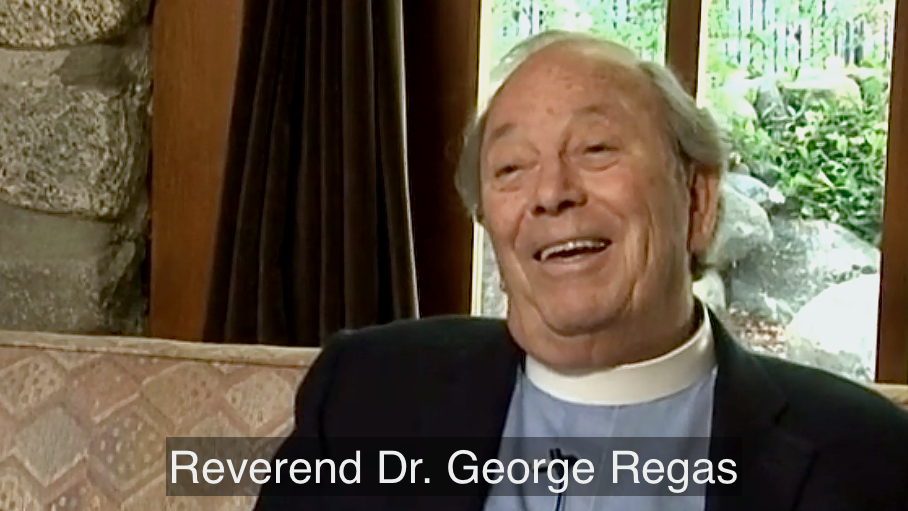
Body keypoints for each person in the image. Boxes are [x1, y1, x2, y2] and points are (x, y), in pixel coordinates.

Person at [254, 31, 908, 510]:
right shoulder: (365, 395)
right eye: (511, 167)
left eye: (595, 150)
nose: (551, 193)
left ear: (697, 200)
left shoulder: (868, 458)